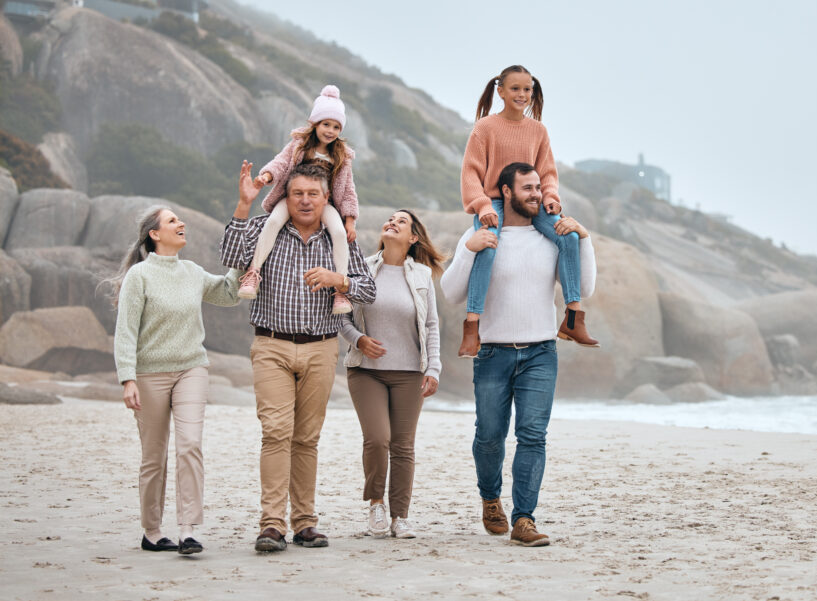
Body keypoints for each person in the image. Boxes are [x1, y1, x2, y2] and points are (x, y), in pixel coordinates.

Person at [221, 160, 376, 553]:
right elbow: (231, 255)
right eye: (297, 194)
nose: (305, 201)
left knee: (306, 438)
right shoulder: (263, 229)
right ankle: (271, 524)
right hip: (271, 344)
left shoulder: (339, 239)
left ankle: (305, 523)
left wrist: (337, 279)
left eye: (313, 194)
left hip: (322, 347)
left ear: (327, 198)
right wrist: (243, 205)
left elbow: (368, 290)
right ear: (286, 197)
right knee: (276, 433)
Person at [440, 162, 597, 547]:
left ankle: (524, 518)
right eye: (527, 188)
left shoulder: (553, 237)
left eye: (538, 187)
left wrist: (584, 238)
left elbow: (585, 288)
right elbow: (450, 292)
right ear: (506, 192)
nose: (536, 194)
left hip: (541, 351)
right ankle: (490, 496)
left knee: (532, 436)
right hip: (493, 353)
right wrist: (467, 250)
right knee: (490, 437)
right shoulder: (481, 232)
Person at [111, 205, 242, 555]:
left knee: (189, 445)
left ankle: (187, 530)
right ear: (155, 234)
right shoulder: (139, 276)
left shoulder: (192, 271)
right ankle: (152, 531)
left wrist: (244, 258)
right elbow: (125, 331)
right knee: (154, 456)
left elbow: (229, 293)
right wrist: (128, 378)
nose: (181, 223)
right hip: (149, 373)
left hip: (191, 369)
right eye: (172, 221)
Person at [458, 65, 599, 358]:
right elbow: (471, 173)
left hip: (533, 201)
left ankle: (573, 318)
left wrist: (550, 198)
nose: (522, 95)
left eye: (527, 90)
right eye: (515, 89)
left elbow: (547, 172)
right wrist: (483, 205)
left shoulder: (538, 130)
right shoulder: (485, 128)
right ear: (500, 91)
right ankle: (472, 327)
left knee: (569, 237)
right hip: (495, 200)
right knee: (487, 245)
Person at [340, 209, 445, 539]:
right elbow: (340, 316)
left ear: (413, 237)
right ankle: (376, 505)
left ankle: (400, 516)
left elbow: (431, 326)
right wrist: (359, 339)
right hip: (365, 371)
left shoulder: (422, 276)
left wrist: (434, 368)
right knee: (377, 439)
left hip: (409, 372)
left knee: (403, 446)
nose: (392, 223)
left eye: (401, 222)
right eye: (390, 219)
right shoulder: (360, 268)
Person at [239, 84, 360, 315]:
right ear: (315, 124)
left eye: (336, 127)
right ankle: (253, 274)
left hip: (324, 202)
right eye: (326, 124)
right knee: (273, 222)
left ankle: (341, 289)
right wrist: (266, 175)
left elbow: (348, 189)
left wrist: (350, 219)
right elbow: (281, 162)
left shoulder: (342, 156)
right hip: (294, 197)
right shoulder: (299, 145)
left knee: (338, 233)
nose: (330, 130)